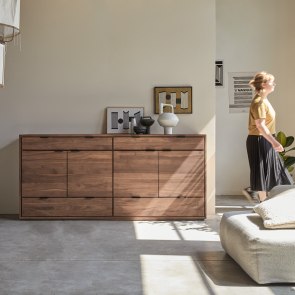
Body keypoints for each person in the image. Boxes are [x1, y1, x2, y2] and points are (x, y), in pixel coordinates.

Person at [244, 71, 293, 202]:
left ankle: (256, 195)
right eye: (272, 82)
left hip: (264, 139)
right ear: (264, 84)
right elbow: (260, 125)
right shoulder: (259, 102)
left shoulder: (264, 100)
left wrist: (272, 141)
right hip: (259, 140)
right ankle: (262, 202)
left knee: (273, 171)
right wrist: (275, 142)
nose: (274, 84)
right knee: (263, 172)